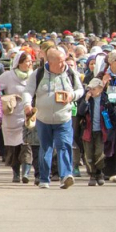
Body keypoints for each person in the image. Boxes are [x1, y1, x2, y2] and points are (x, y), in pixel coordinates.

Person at [30, 44, 81, 188]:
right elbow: (28, 91)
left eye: (64, 60)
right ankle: (45, 178)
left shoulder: (70, 73)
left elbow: (80, 89)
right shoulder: (38, 74)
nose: (63, 63)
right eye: (60, 61)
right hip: (43, 119)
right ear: (50, 62)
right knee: (46, 148)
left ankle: (65, 176)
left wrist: (72, 95)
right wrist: (28, 105)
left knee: (64, 145)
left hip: (63, 118)